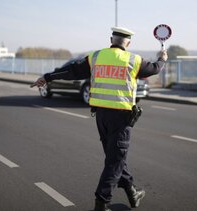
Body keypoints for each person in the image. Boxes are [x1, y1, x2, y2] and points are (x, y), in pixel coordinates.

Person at [31, 27, 168, 211]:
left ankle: (131, 190)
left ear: (111, 39)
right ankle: (101, 202)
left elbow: (72, 71)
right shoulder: (134, 60)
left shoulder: (95, 57)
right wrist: (162, 59)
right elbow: (154, 69)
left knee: (115, 157)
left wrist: (47, 77)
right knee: (115, 160)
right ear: (128, 43)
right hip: (121, 118)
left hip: (101, 116)